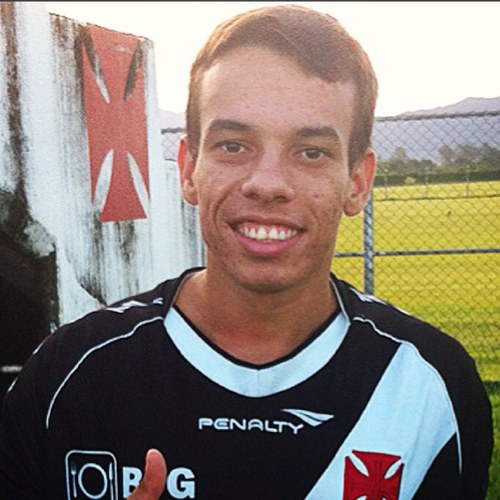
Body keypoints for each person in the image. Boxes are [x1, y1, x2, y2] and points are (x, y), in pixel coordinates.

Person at [0, 4, 493, 499]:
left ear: (358, 183)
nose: (267, 183)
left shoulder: (428, 387)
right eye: (234, 145)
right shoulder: (70, 377)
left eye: (311, 152)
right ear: (188, 169)